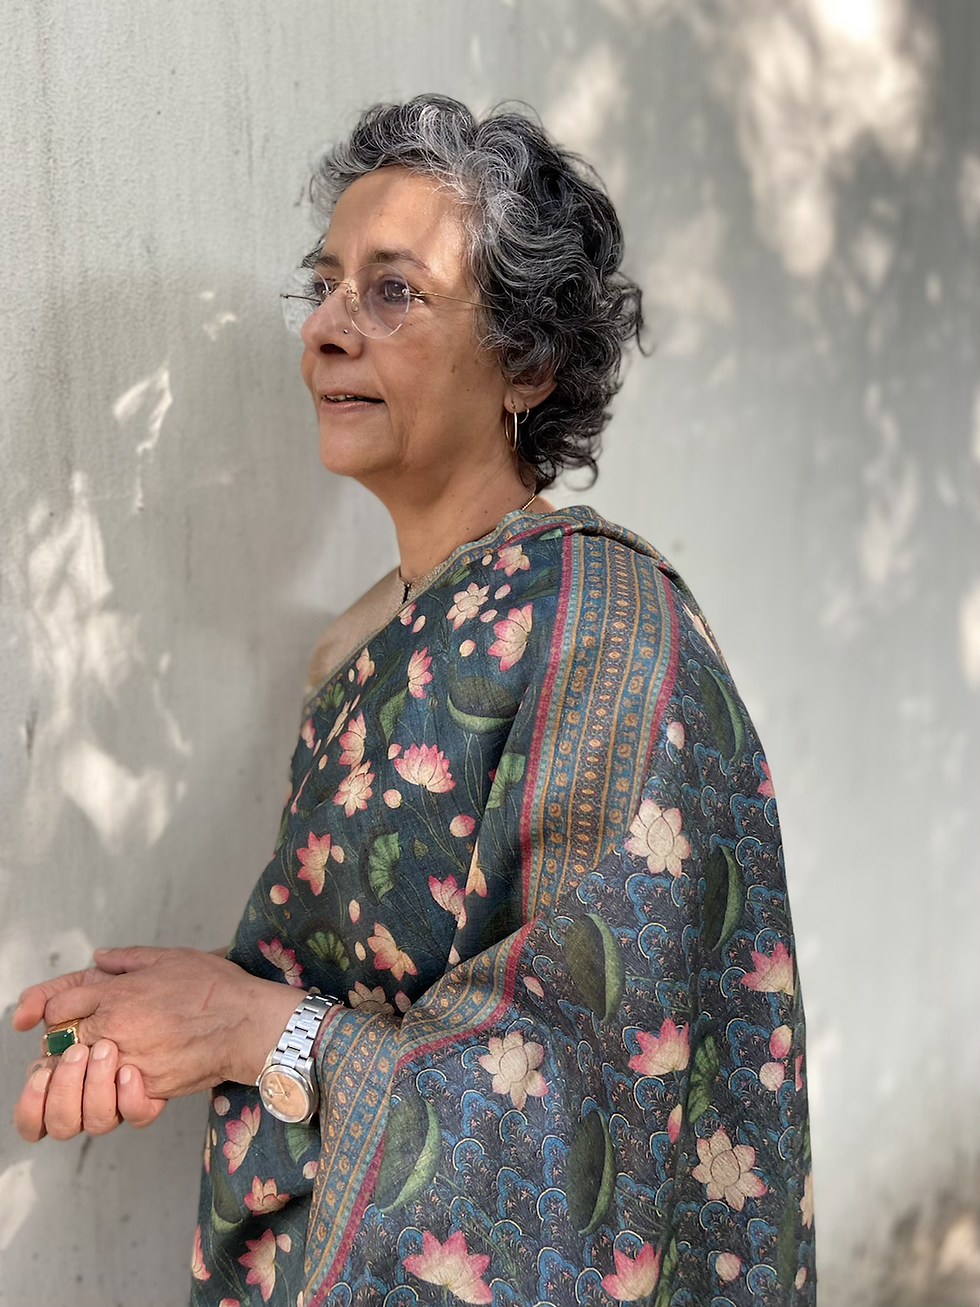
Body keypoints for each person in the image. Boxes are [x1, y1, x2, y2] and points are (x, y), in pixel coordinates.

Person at [13, 96, 815, 1306]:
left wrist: (249, 1027)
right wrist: (177, 1013)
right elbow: (363, 987)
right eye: (323, 284)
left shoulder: (605, 628)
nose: (326, 330)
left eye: (392, 291)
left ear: (527, 364)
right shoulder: (357, 640)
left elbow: (589, 1092)